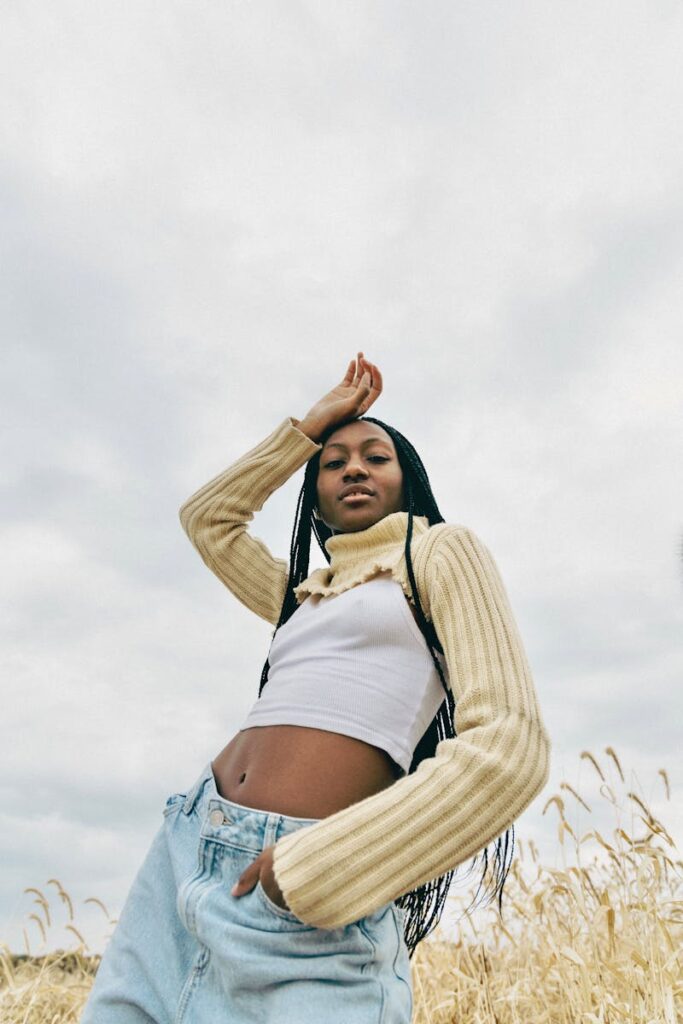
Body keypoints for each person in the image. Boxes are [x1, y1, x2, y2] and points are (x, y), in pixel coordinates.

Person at [80, 352, 551, 1024]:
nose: (353, 467)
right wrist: (307, 427)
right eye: (332, 464)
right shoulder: (299, 597)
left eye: (374, 456)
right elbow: (209, 520)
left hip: (303, 891)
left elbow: (510, 747)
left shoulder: (439, 554)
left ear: (408, 479)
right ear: (316, 495)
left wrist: (320, 868)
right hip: (185, 853)